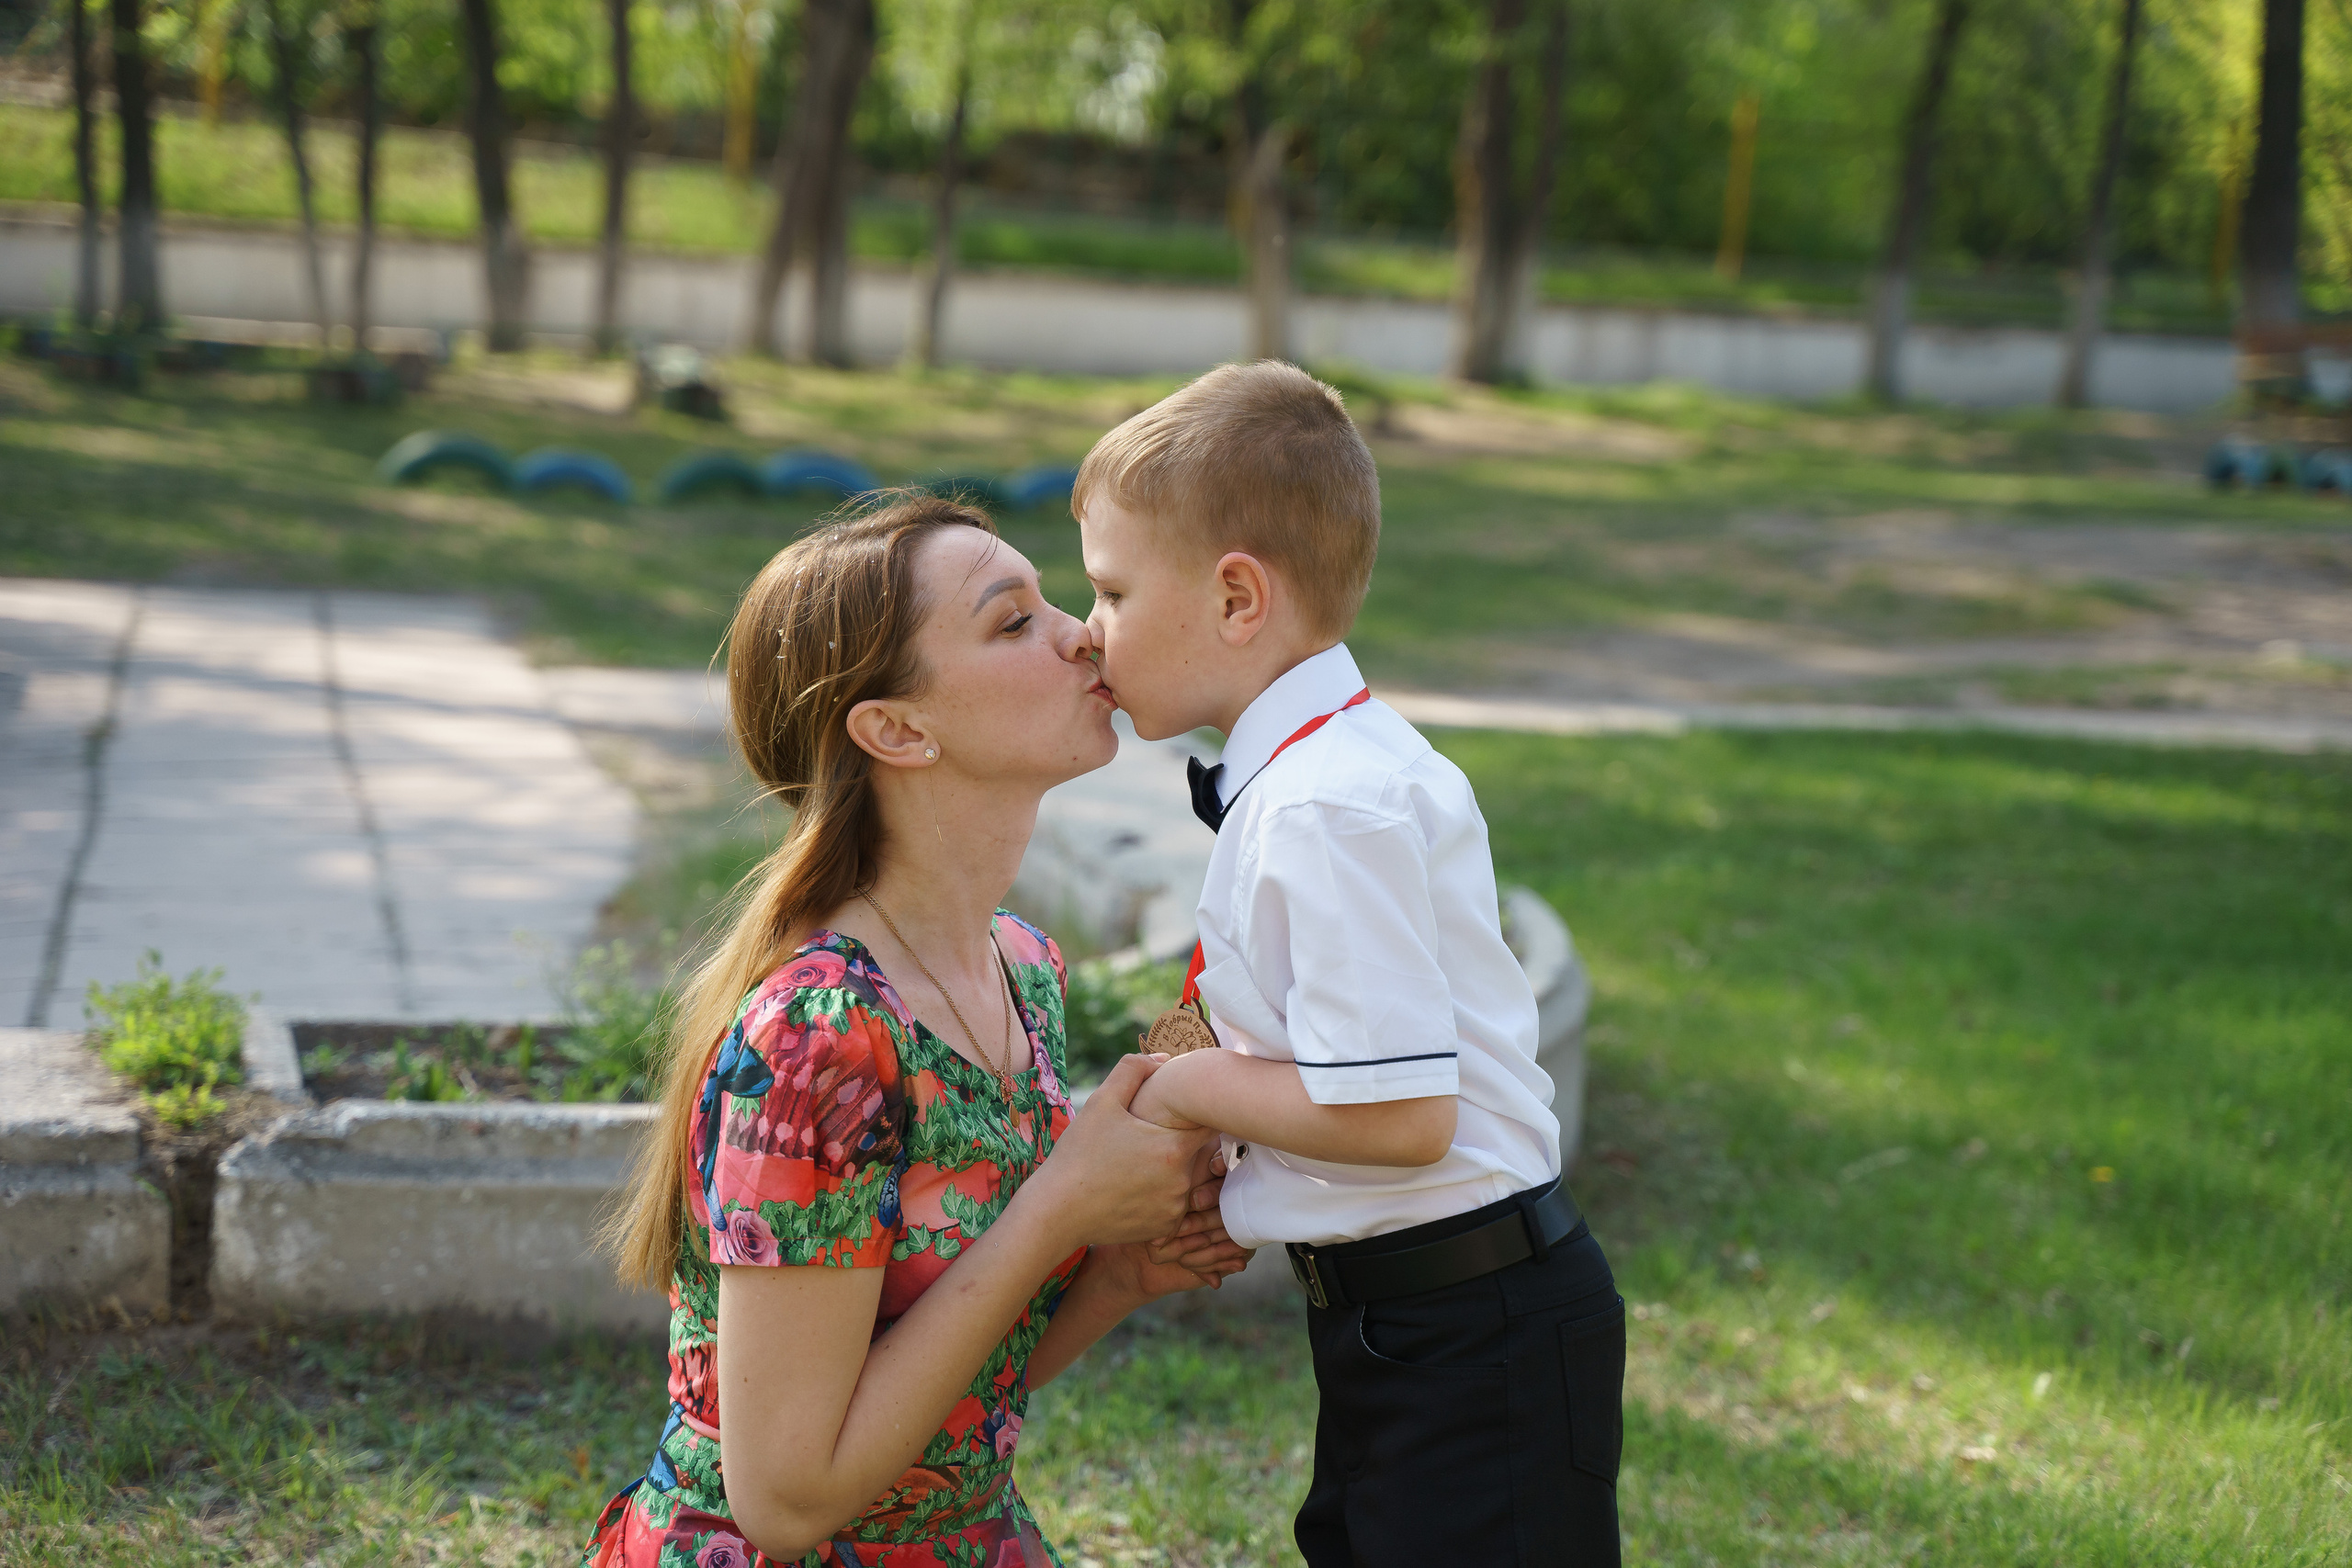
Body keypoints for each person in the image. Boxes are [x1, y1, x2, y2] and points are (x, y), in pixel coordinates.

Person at [585, 495, 1250, 1568]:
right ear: (896, 729)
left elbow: (955, 1386)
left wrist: (1125, 1269)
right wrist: (1060, 1205)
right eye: (1012, 621)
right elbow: (787, 1503)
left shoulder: (1020, 968)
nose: (1082, 632)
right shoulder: (821, 1039)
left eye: (1053, 603)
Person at [1077, 362, 1627, 1565]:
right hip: (1419, 1313)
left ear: (1236, 598)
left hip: (1470, 1324)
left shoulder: (1325, 804)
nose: (1087, 630)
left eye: (1112, 591)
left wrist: (1182, 1092)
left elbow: (1399, 1114)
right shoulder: (1319, 775)